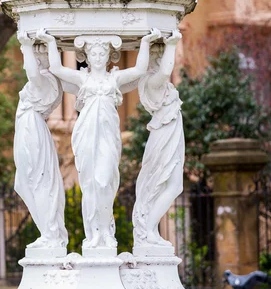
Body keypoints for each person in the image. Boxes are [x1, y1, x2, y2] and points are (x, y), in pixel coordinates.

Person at [37, 28, 160, 250]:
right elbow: (56, 68)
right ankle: (94, 235)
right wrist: (48, 41)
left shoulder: (115, 78)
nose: (98, 57)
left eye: (102, 53)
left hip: (108, 136)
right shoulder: (82, 78)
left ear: (109, 55)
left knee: (105, 182)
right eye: (93, 53)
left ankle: (106, 232)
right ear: (87, 56)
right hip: (86, 135)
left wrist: (147, 42)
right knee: (91, 185)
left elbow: (140, 68)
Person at [14, 31, 68, 249]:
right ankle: (47, 231)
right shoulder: (45, 80)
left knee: (38, 182)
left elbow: (33, 75)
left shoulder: (46, 81)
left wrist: (27, 45)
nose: (28, 64)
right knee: (24, 183)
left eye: (35, 57)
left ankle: (50, 233)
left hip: (32, 129)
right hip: (27, 128)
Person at [133, 29, 184, 248]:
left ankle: (150, 229)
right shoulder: (153, 82)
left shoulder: (161, 85)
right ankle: (147, 230)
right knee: (169, 185)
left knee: (173, 186)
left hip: (170, 133)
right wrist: (172, 44)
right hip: (164, 135)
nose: (166, 59)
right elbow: (165, 72)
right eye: (162, 55)